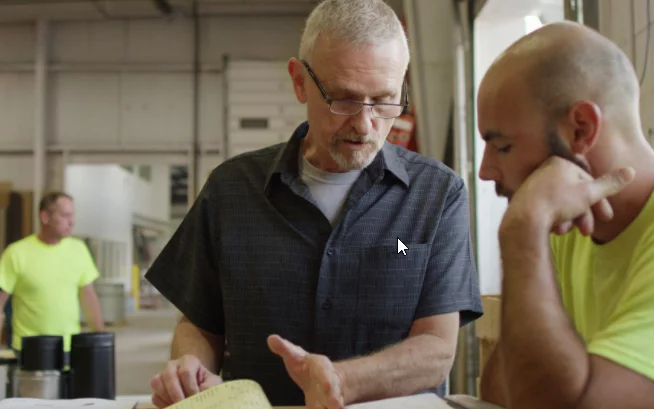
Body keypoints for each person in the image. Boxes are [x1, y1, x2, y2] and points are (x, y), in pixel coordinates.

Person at [146, 0, 483, 408]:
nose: (364, 124)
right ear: (299, 81)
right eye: (343, 99)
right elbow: (200, 325)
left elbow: (436, 350)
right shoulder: (232, 191)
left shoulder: (437, 194)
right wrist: (189, 368)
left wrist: (341, 380)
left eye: (384, 100)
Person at [476, 21, 654, 409]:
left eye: (503, 147)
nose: (485, 171)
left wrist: (523, 230)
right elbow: (502, 389)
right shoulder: (570, 224)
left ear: (580, 130)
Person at [0, 192, 105, 363]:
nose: (72, 222)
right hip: (28, 350)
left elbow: (88, 297)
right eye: (65, 215)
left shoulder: (79, 250)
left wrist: (101, 340)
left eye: (72, 215)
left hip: (68, 349)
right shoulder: (16, 253)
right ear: (45, 217)